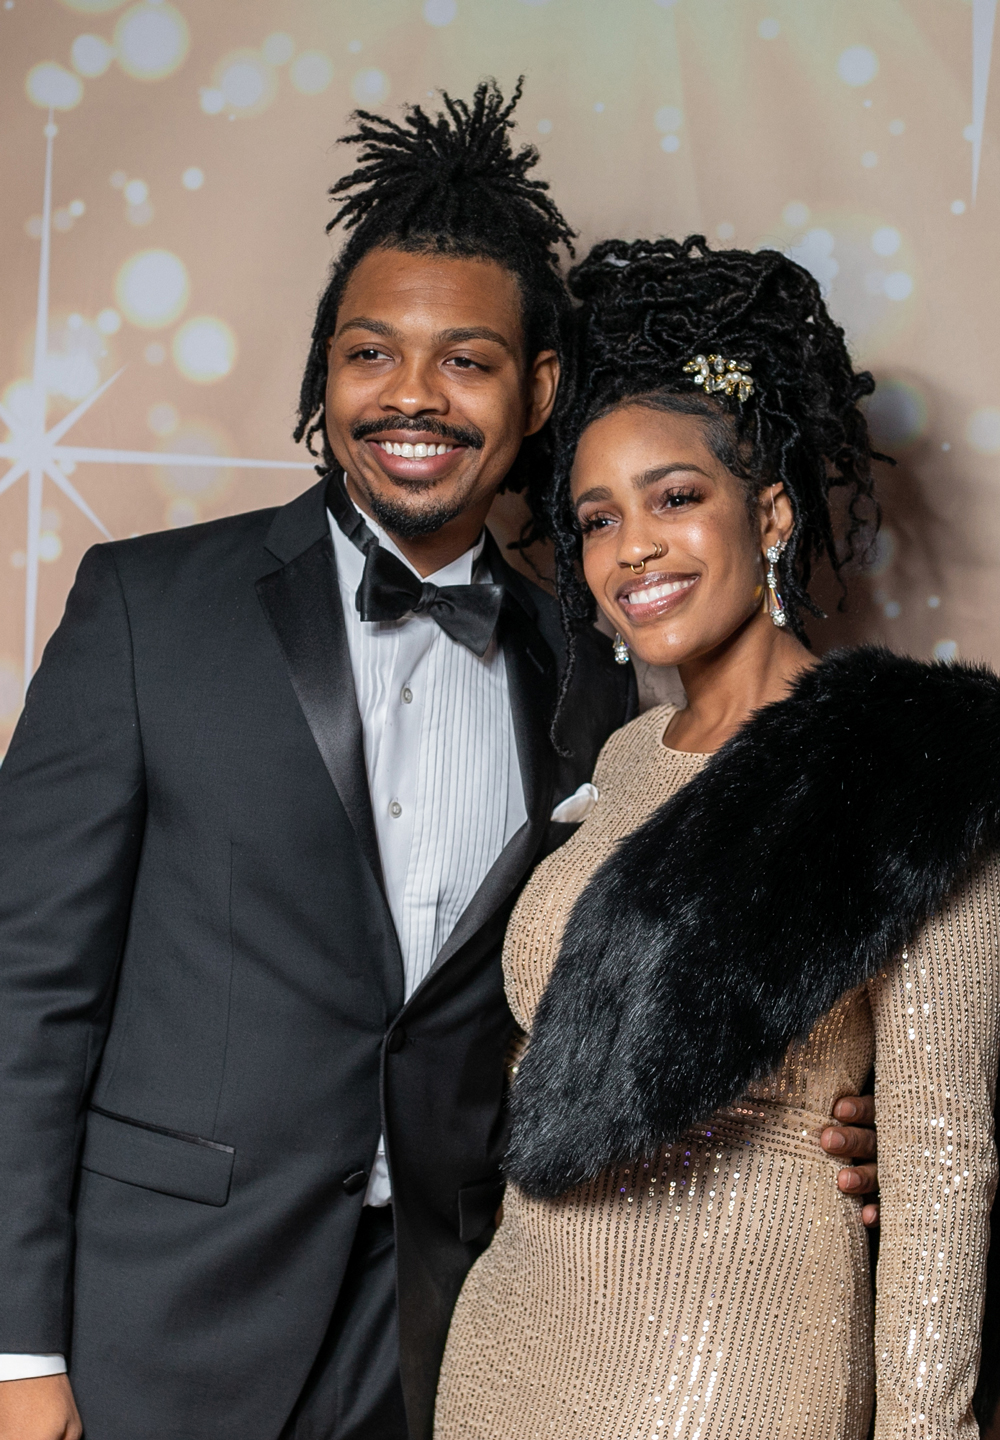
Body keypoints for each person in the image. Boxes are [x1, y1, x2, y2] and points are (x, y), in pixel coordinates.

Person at [0, 88, 878, 1440]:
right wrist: (19, 1351)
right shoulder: (145, 611)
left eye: (465, 360)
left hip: (443, 1329)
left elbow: (635, 985)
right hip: (156, 1321)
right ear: (326, 373)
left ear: (538, 392)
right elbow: (27, 997)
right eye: (371, 353)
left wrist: (846, 1117)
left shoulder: (598, 669)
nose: (411, 394)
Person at [435, 237, 1000, 1439]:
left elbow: (943, 1164)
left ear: (771, 511)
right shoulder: (624, 759)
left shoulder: (909, 763)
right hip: (510, 1335)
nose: (631, 547)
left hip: (729, 1355)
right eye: (596, 518)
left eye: (675, 498)